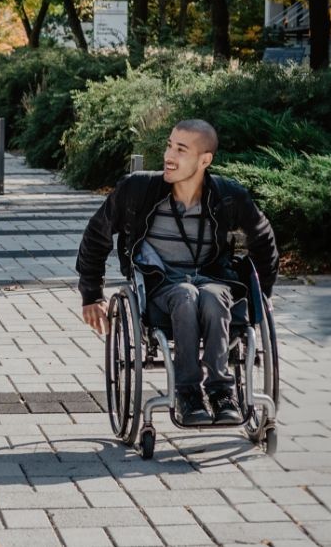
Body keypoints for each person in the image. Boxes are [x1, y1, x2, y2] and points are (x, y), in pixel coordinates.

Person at [76, 120, 278, 426]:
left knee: (211, 296)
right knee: (185, 295)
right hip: (160, 286)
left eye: (181, 150)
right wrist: (91, 294)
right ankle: (187, 394)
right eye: (169, 145)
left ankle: (222, 392)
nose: (169, 155)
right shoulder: (138, 189)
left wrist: (262, 295)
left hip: (213, 280)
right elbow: (96, 235)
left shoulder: (227, 195)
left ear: (204, 160)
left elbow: (263, 238)